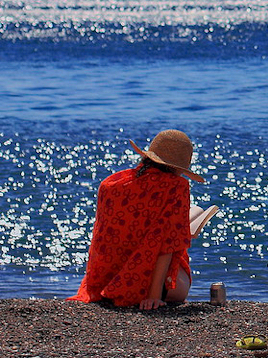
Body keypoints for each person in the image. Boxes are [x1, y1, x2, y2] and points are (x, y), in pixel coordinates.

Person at [68, 129, 205, 310]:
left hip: (101, 282)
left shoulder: (112, 183)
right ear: (179, 166)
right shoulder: (176, 186)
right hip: (142, 287)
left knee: (176, 230)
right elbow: (166, 245)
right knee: (178, 244)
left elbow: (101, 240)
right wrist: (154, 296)